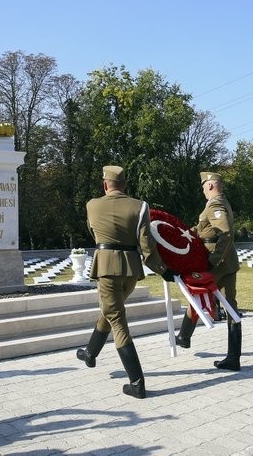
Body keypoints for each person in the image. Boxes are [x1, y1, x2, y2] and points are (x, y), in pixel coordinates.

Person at [78, 165, 177, 399]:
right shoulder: (140, 206)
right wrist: (163, 270)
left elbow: (94, 233)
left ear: (105, 184)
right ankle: (90, 353)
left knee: (117, 319)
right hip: (131, 268)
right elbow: (146, 245)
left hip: (107, 267)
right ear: (125, 184)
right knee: (111, 311)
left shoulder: (92, 205)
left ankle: (137, 382)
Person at [175, 171, 242, 371]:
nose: (203, 190)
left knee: (197, 295)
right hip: (228, 262)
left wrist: (213, 260)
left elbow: (225, 233)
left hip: (218, 262)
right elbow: (207, 228)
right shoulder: (223, 202)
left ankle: (185, 336)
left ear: (210, 186)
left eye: (204, 186)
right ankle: (233, 356)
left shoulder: (215, 204)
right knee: (230, 307)